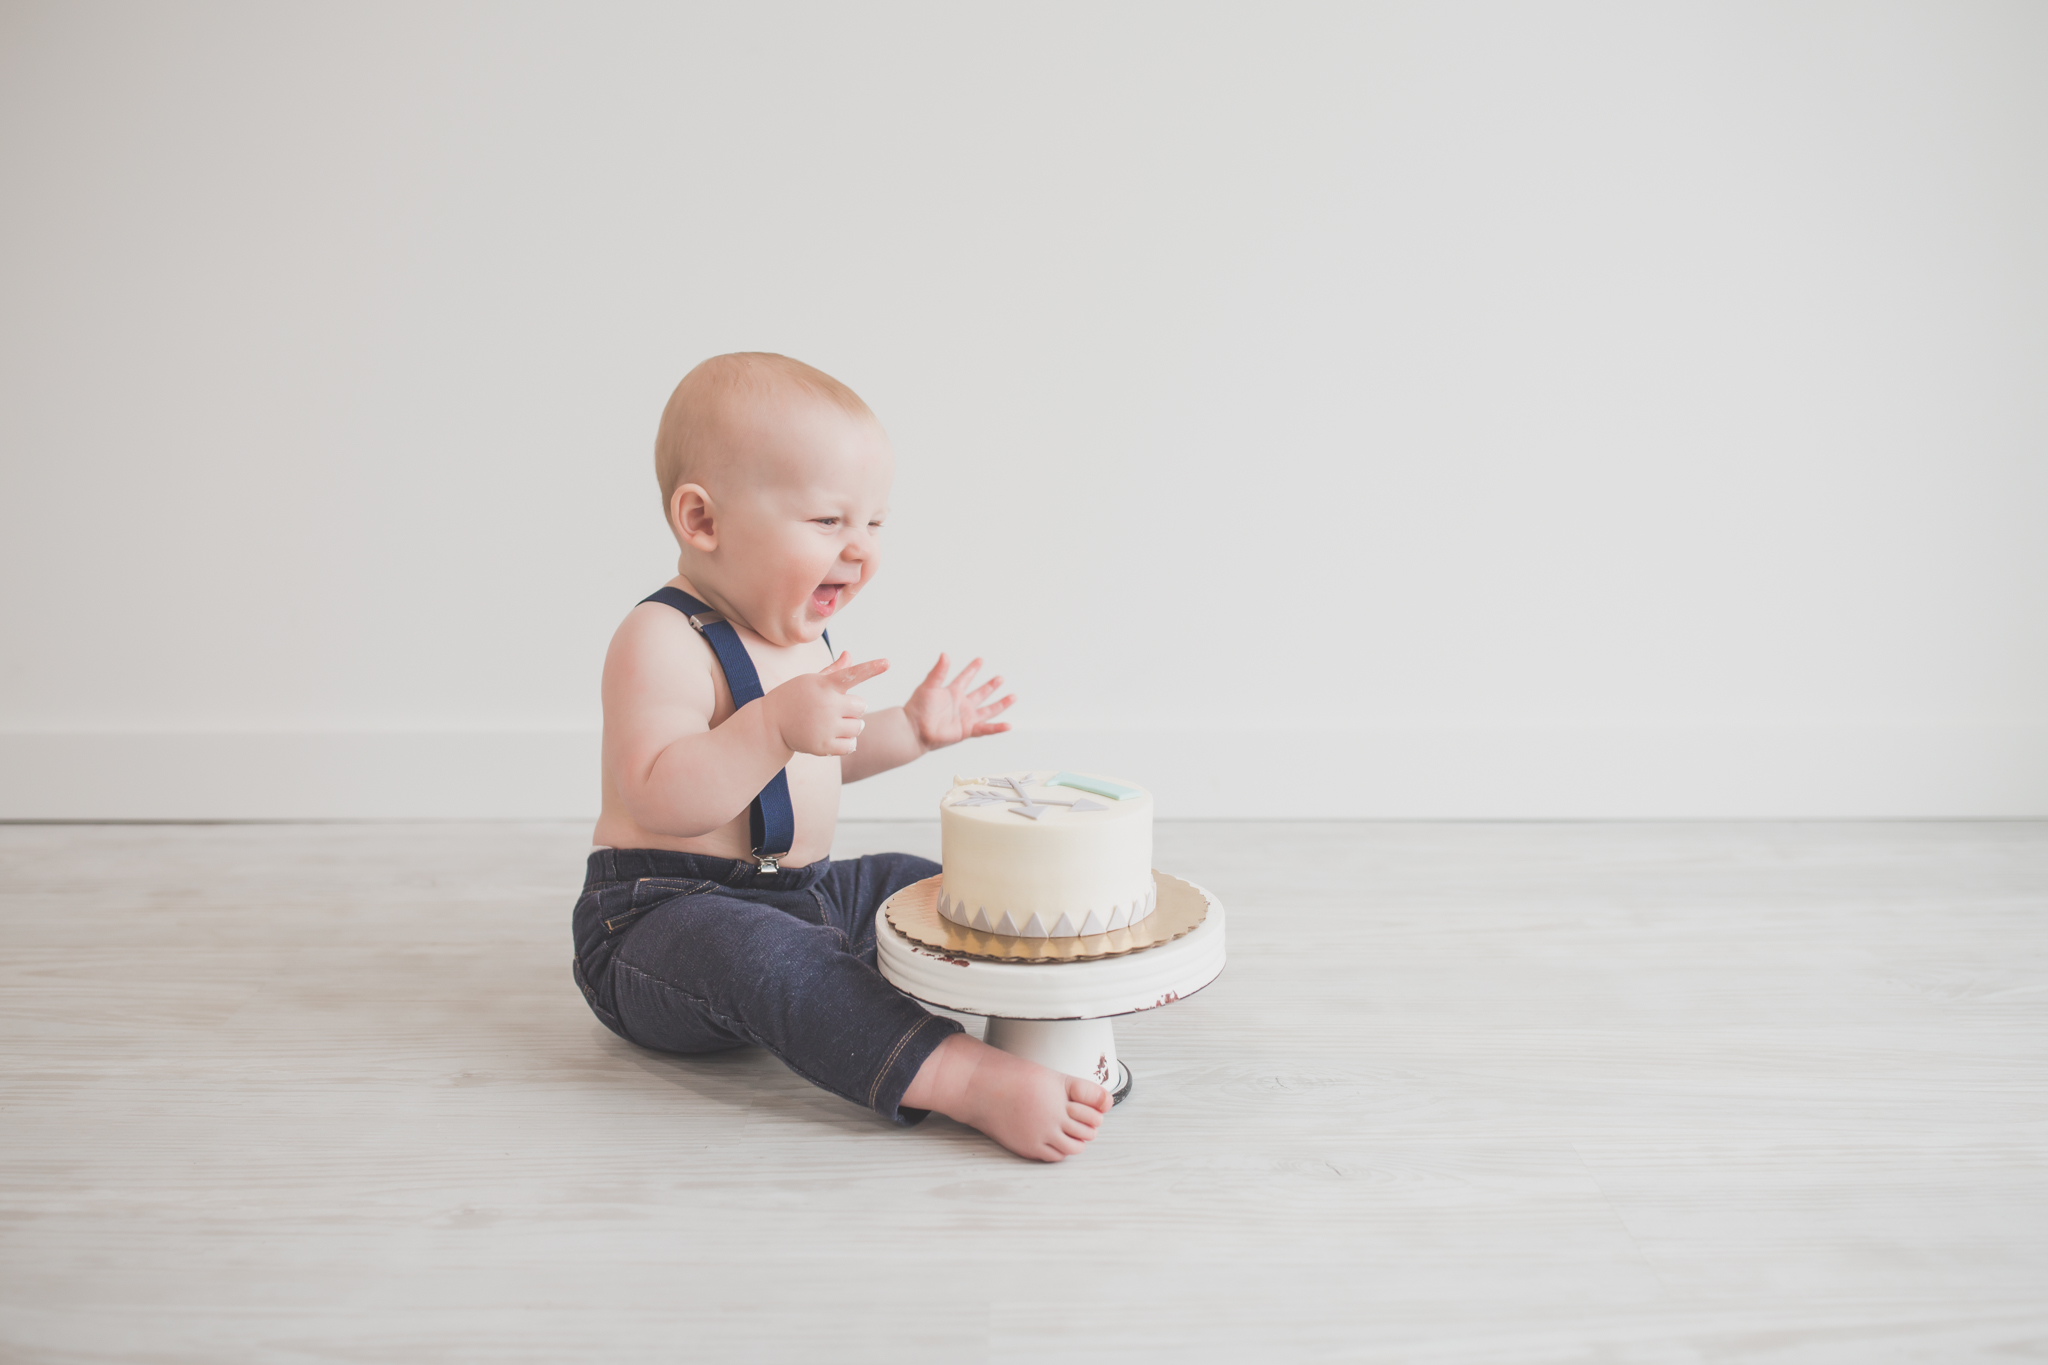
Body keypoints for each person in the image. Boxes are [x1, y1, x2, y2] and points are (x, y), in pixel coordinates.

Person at [571, 352, 1113, 1161]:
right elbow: (657, 797)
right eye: (829, 521)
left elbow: (813, 767)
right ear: (703, 521)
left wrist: (913, 728)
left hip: (801, 891)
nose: (858, 547)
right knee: (768, 957)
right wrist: (770, 728)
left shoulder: (796, 635)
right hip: (662, 919)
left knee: (926, 884)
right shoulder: (662, 640)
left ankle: (1047, 1015)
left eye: (875, 522)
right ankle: (961, 1078)